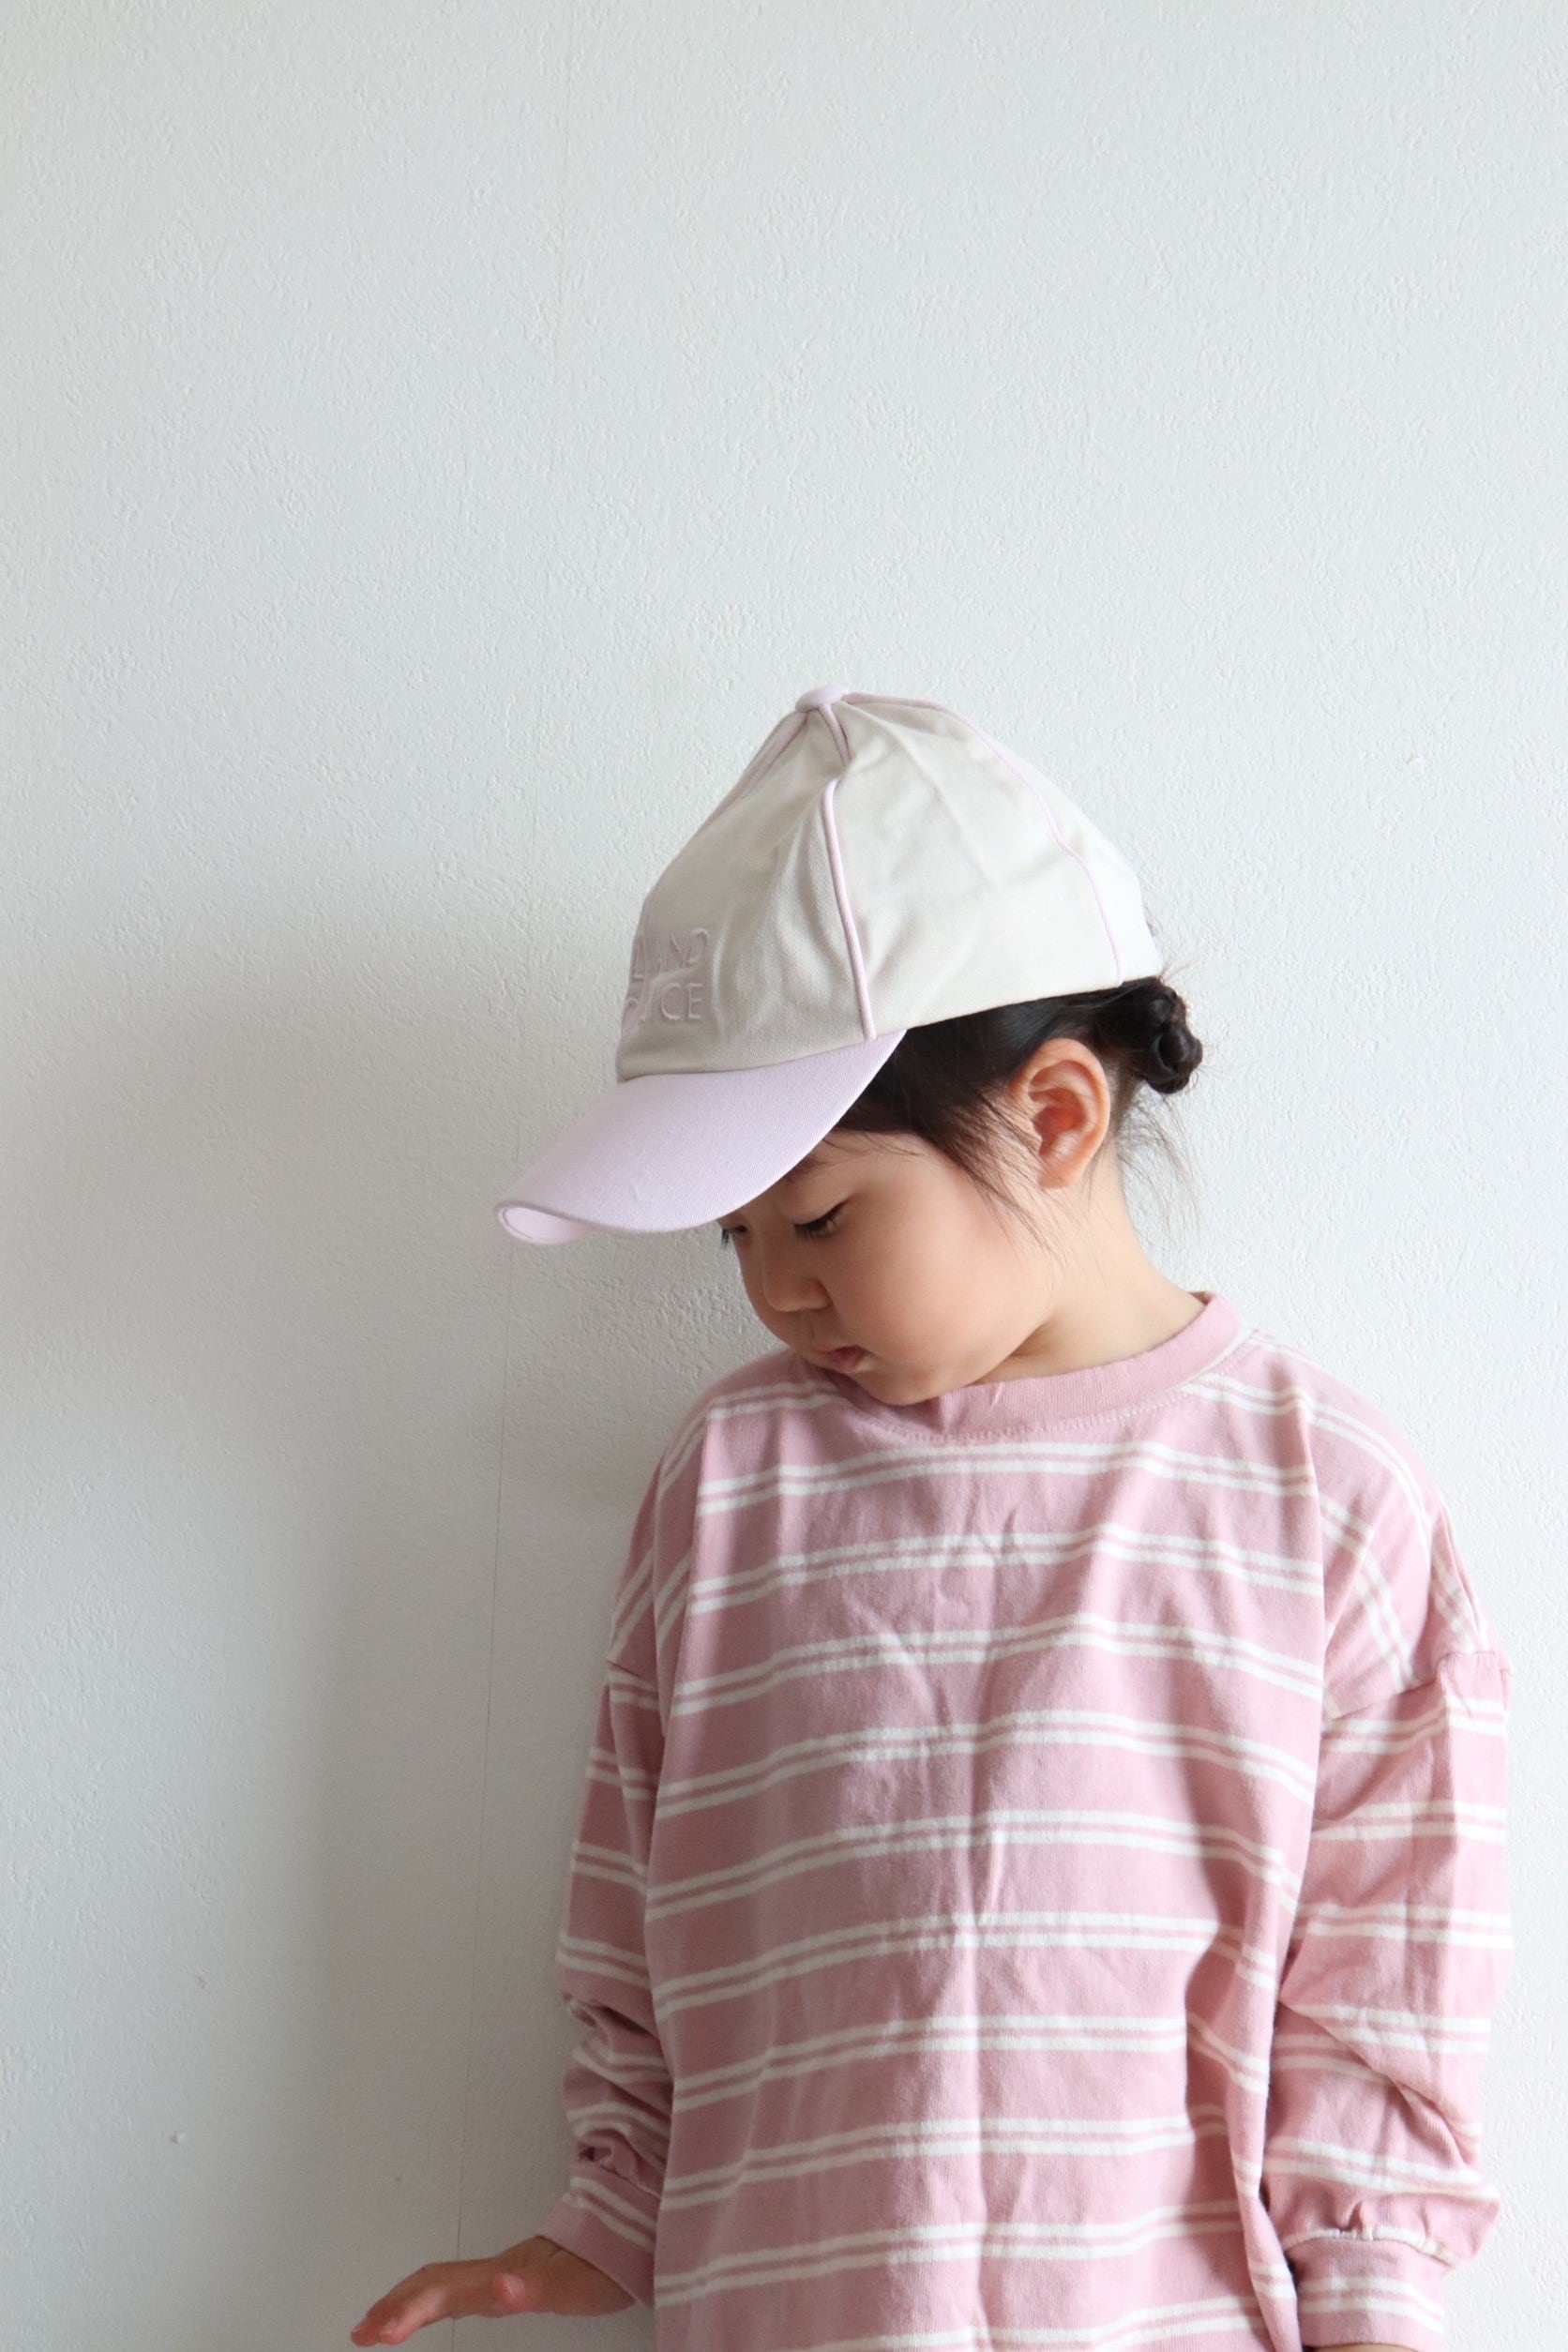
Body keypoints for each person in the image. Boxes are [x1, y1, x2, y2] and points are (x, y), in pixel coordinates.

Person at [351, 688, 1512, 2352]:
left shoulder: (1320, 1492)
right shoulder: (733, 1480)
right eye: (733, 1236)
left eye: (819, 1218)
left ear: (1055, 1117)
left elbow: (1387, 1983)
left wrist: (1377, 2296)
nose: (773, 1289)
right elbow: (642, 1905)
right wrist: (607, 2214)